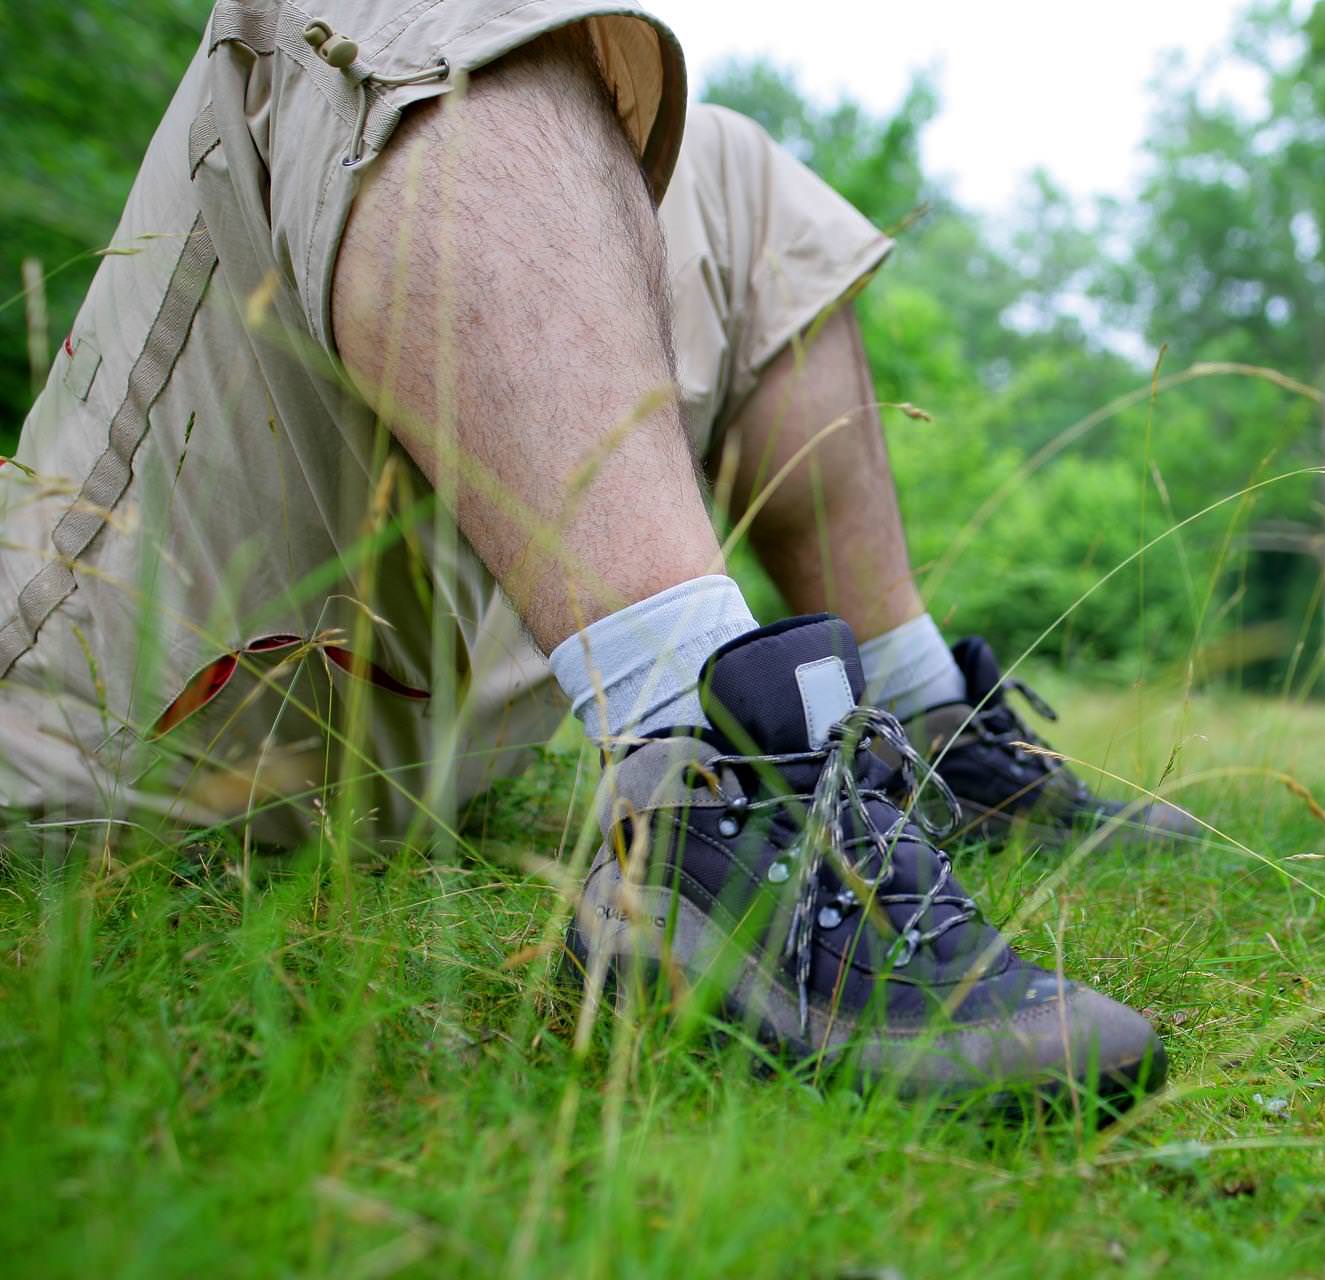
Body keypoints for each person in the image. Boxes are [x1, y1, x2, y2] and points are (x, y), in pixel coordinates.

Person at [0, 3, 1193, 1105]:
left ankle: (921, 736)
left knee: (728, 167)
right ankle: (711, 798)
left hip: (423, 722)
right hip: (100, 703)